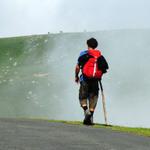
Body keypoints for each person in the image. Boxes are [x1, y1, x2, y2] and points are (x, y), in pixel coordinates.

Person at [75, 38, 109, 125]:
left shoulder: (84, 53)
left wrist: (76, 76)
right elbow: (104, 68)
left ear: (87, 45)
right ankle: (90, 118)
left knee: (82, 97)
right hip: (95, 80)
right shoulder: (100, 56)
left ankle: (86, 112)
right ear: (96, 45)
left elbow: (77, 67)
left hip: (85, 79)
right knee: (93, 98)